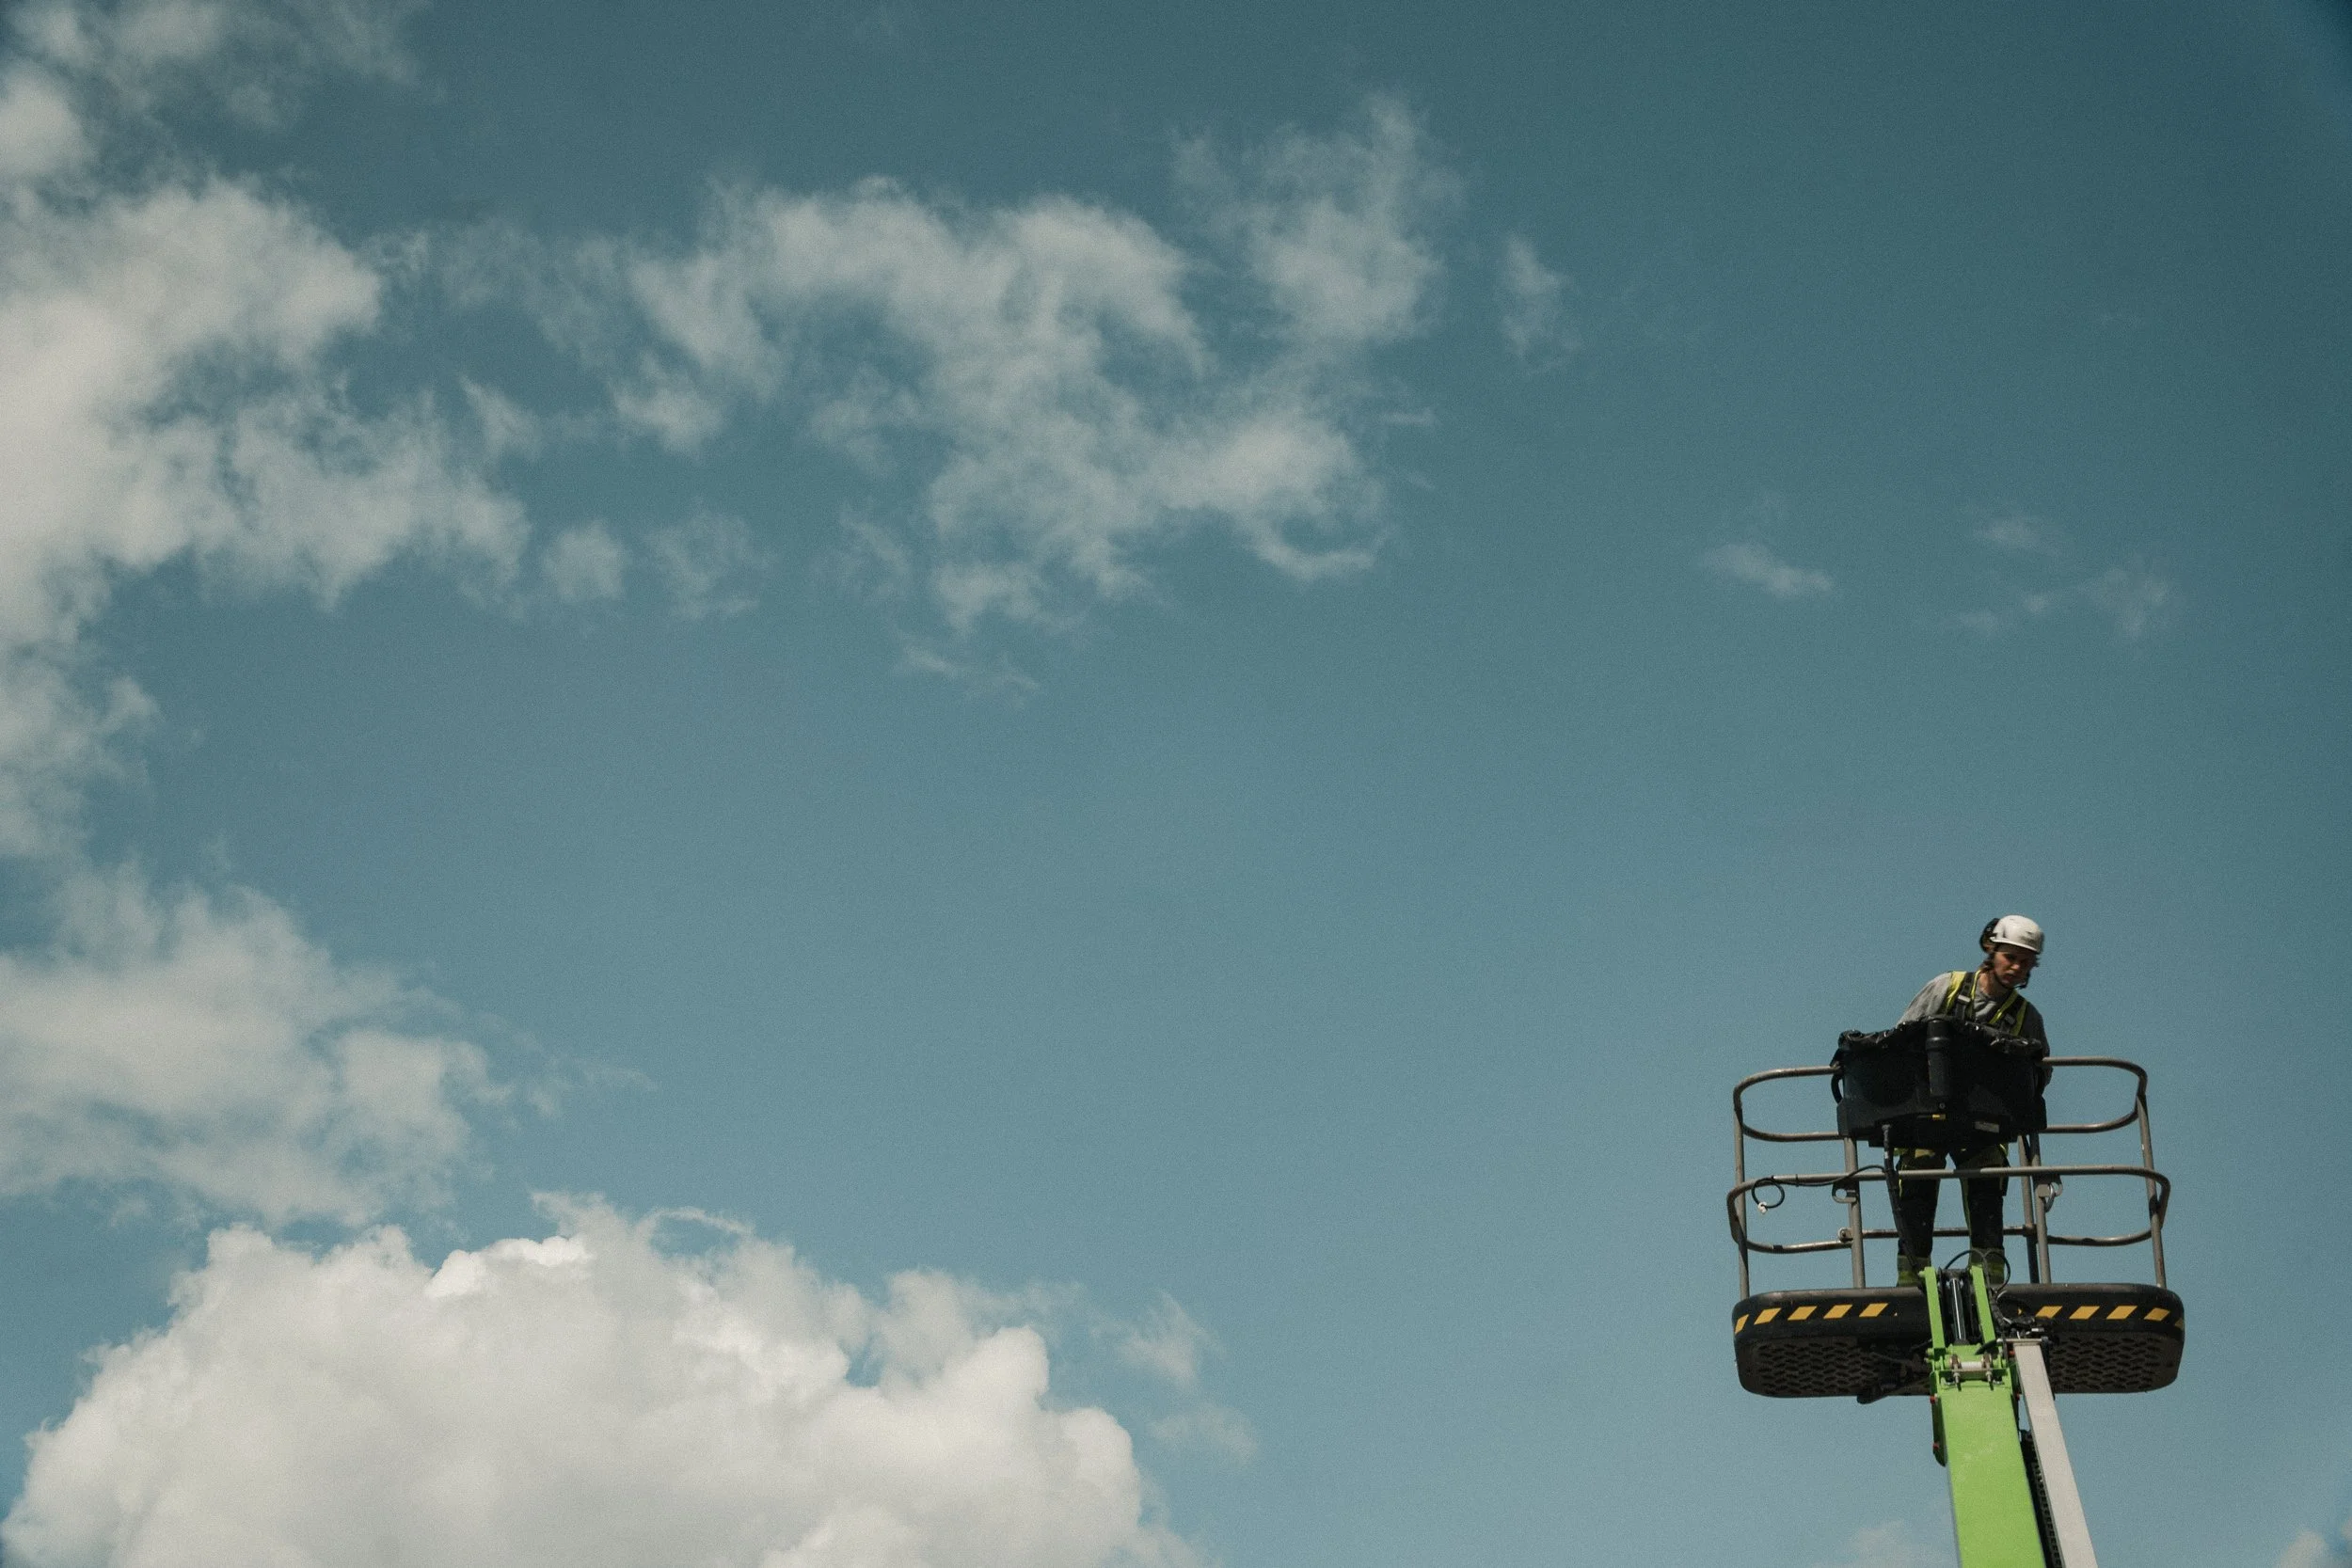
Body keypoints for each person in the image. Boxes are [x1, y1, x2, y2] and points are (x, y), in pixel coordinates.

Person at [1889, 915, 2049, 1287]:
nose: (2016, 967)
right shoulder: (1946, 988)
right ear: (1990, 950)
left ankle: (1989, 1272)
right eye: (2010, 956)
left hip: (1981, 1123)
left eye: (2025, 962)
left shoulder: (2026, 1018)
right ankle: (1912, 1275)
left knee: (1989, 1171)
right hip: (1926, 1116)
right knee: (1918, 1168)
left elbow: (2039, 1075)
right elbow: (1901, 1038)